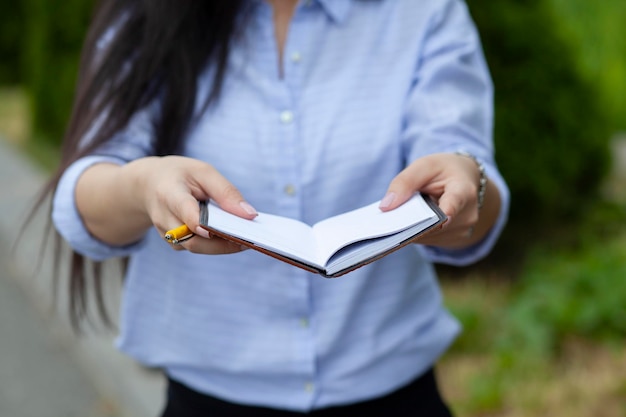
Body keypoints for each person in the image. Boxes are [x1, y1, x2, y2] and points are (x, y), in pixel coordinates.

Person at [48, 0, 509, 415]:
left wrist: (468, 184)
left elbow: (470, 184)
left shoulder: (421, 10)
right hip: (207, 399)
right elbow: (83, 197)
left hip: (396, 391)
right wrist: (143, 186)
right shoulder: (148, 13)